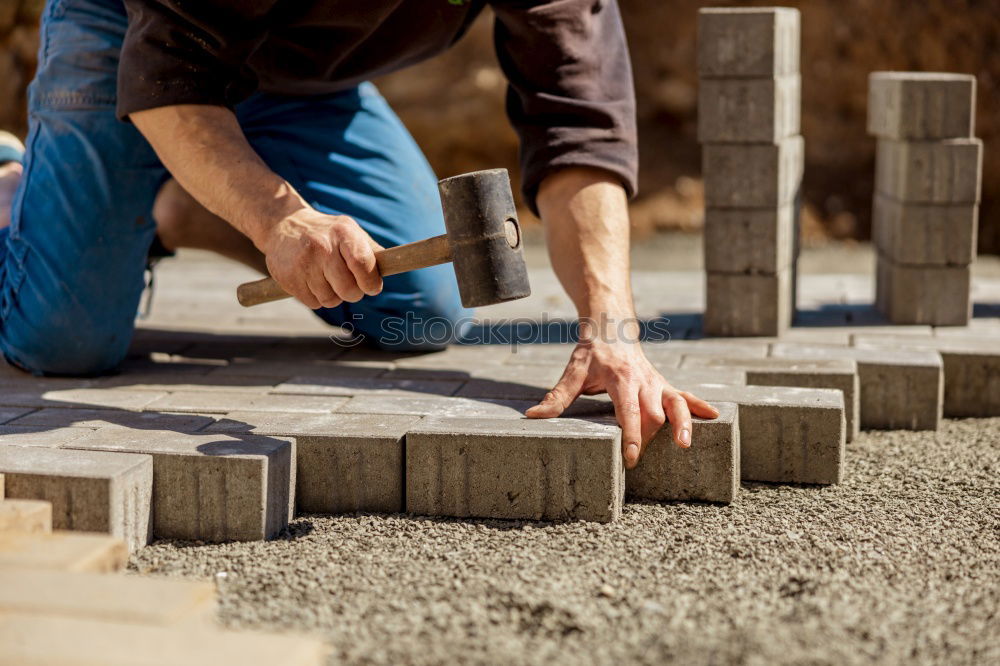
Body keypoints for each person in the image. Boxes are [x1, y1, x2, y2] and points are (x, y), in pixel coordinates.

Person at [0, 0, 717, 469]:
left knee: (421, 311)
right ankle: (12, 182)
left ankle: (181, 201)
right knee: (63, 342)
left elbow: (578, 123)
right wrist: (279, 218)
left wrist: (613, 329)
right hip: (138, 35)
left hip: (306, 78)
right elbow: (170, 73)